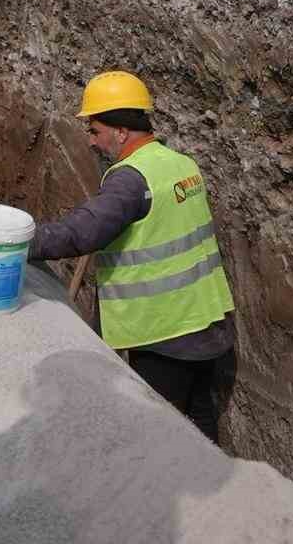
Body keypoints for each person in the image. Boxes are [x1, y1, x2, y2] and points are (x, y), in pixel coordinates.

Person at [29, 70, 237, 444]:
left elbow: (83, 232)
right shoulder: (180, 164)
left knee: (157, 431)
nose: (91, 141)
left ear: (120, 132)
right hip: (205, 317)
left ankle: (163, 497)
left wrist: (19, 240)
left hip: (164, 330)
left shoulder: (129, 179)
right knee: (199, 420)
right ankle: (211, 487)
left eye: (94, 131)